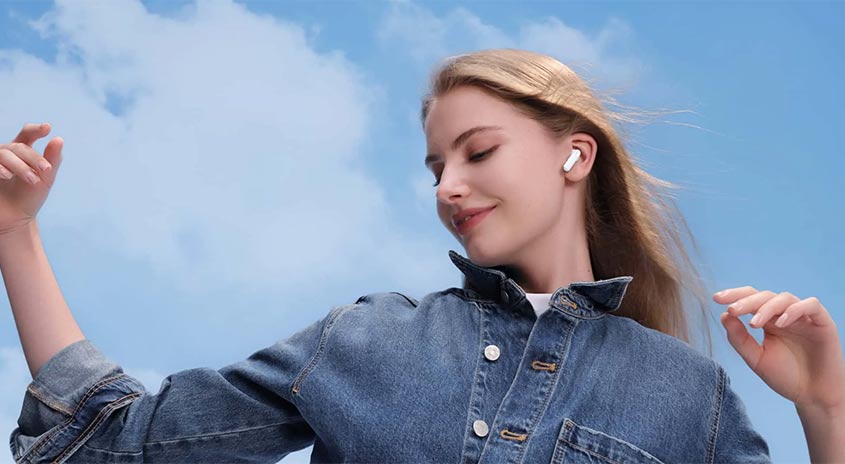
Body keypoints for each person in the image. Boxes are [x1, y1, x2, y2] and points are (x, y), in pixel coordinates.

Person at [2, 48, 843, 463]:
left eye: (477, 152)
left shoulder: (689, 395)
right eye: (437, 166)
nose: (448, 186)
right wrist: (15, 235)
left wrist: (824, 412)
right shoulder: (366, 342)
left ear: (574, 156)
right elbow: (108, 446)